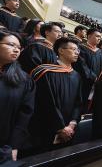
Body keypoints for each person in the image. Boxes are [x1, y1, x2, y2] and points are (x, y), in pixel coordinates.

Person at [29, 37, 82, 151]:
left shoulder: (76, 75)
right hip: (45, 129)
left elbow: (78, 102)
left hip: (70, 130)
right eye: (73, 49)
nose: (77, 52)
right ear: (61, 50)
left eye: (78, 50)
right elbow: (47, 102)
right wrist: (60, 128)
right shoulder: (45, 72)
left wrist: (72, 124)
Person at [0, 31, 34, 162]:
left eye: (19, 48)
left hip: (4, 147)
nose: (16, 50)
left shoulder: (23, 80)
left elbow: (24, 115)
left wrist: (14, 146)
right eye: (11, 45)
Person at [73, 28, 102, 112]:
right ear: (89, 36)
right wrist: (93, 77)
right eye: (97, 36)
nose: (99, 38)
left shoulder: (100, 52)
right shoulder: (80, 48)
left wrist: (99, 79)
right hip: (83, 82)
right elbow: (81, 65)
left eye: (100, 37)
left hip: (96, 84)